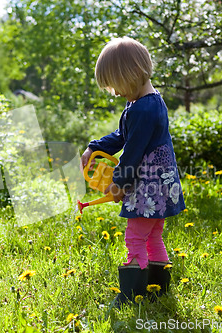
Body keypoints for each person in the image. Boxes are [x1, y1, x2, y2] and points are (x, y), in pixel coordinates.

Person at [80, 37, 186, 308]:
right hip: (160, 186)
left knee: (135, 237)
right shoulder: (145, 102)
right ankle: (158, 290)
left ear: (131, 74)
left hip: (148, 188)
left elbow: (133, 152)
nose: (114, 92)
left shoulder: (143, 108)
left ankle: (131, 295)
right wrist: (94, 147)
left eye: (115, 85)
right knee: (152, 235)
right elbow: (122, 136)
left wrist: (118, 183)